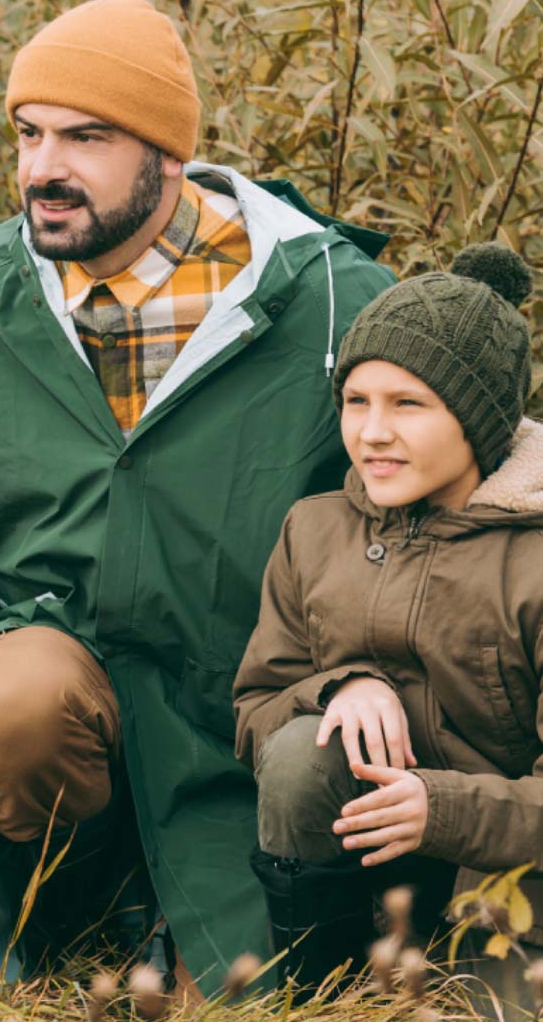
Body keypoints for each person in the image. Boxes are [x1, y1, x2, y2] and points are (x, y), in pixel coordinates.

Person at [0, 0, 394, 996]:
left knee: (258, 987)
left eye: (87, 136)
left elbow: (415, 519)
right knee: (17, 699)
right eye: (27, 134)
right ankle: (83, 894)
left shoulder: (327, 298)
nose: (42, 168)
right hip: (61, 672)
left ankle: (190, 902)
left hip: (249, 707)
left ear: (165, 150)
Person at [234, 243, 541, 1007]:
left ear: (479, 417)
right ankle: (323, 989)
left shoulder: (533, 558)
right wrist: (339, 685)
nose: (371, 431)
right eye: (355, 400)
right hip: (368, 865)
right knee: (302, 751)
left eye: (408, 404)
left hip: (512, 867)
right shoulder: (313, 529)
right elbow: (253, 714)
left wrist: (439, 807)